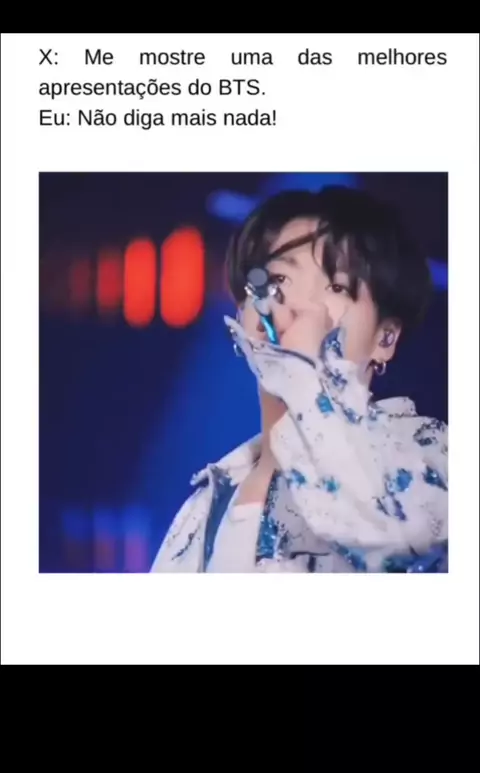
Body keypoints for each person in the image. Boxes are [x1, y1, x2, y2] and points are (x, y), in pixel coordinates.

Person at [151, 186, 448, 573]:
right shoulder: (209, 502)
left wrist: (307, 378)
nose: (297, 306)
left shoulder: (429, 453)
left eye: (336, 286)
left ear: (385, 338)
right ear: (243, 315)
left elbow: (386, 542)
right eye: (280, 280)